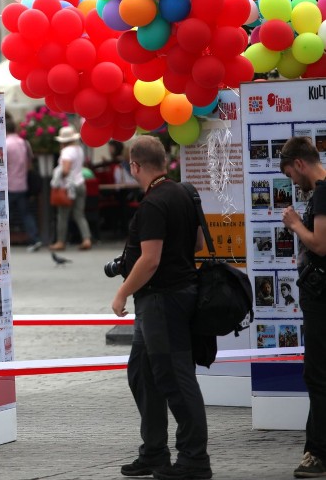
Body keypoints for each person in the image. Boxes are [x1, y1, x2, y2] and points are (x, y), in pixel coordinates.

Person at [111, 135, 212, 480]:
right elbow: (198, 242)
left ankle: (194, 460)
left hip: (162, 300)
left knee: (175, 379)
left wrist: (122, 293)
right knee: (142, 372)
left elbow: (150, 261)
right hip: (178, 293)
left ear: (134, 166)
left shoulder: (154, 203)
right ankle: (154, 452)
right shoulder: (184, 192)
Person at [278, 137, 326, 478]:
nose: (296, 184)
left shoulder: (323, 192)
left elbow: (320, 244)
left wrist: (295, 224)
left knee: (318, 375)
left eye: (293, 177)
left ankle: (317, 453)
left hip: (321, 298)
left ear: (299, 164)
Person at [50, 126, 92, 251]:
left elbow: (65, 170)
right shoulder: (79, 149)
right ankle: (86, 239)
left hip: (68, 187)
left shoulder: (66, 152)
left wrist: (58, 175)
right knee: (79, 214)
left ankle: (60, 241)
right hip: (80, 183)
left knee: (62, 215)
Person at [5, 115, 43, 252]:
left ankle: (2, 241)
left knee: (4, 215)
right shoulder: (24, 143)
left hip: (8, 185)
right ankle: (35, 238)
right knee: (26, 214)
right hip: (22, 184)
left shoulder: (5, 144)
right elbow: (29, 164)